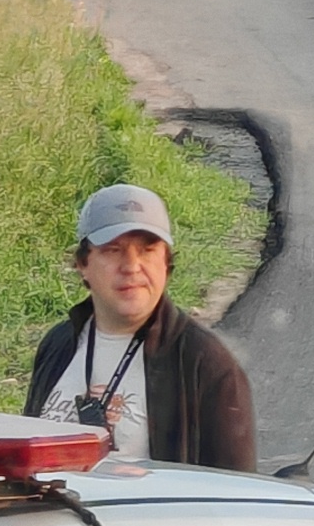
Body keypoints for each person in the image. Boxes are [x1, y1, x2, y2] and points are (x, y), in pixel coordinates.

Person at [25, 183, 256, 471]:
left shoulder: (206, 365)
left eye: (147, 250)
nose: (132, 266)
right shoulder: (58, 344)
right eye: (113, 250)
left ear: (166, 264)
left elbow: (235, 490)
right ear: (83, 264)